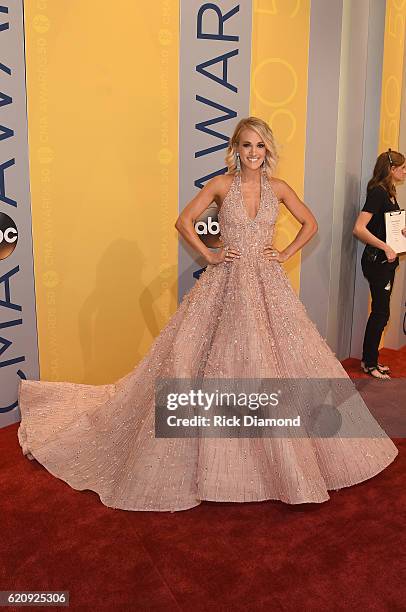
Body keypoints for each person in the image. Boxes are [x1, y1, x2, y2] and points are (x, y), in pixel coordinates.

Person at [17, 117, 398, 512]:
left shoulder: (280, 189)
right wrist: (210, 255)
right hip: (227, 282)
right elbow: (183, 222)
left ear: (268, 151)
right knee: (215, 360)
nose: (253, 153)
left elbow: (311, 223)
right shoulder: (220, 185)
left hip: (269, 285)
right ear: (236, 149)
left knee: (280, 359)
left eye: (260, 146)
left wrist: (284, 254)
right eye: (246, 146)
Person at [353, 149, 406, 380]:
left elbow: (383, 227)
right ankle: (370, 362)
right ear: (391, 169)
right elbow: (359, 228)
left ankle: (368, 360)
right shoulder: (377, 192)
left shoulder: (389, 193)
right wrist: (385, 246)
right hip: (377, 261)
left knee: (381, 313)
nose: (405, 172)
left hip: (386, 262)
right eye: (402, 167)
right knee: (381, 313)